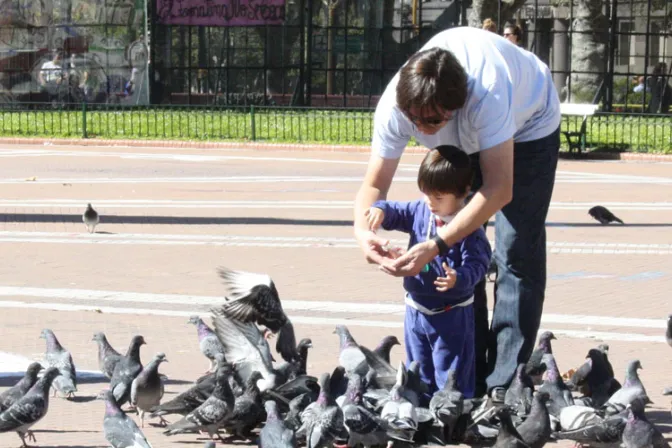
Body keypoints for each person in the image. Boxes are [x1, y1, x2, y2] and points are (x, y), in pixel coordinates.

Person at [353, 26, 561, 402]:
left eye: (430, 122)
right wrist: (363, 234)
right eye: (412, 120)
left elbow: (499, 189)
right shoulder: (400, 104)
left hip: (530, 125)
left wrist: (436, 241)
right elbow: (374, 184)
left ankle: (502, 383)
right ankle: (468, 374)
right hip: (463, 141)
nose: (418, 129)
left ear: (458, 104)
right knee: (458, 255)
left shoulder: (488, 96)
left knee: (515, 251)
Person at [365, 145, 492, 401]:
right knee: (418, 370)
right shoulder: (420, 210)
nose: (430, 202)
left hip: (452, 312)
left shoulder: (469, 226)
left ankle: (455, 417)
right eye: (426, 194)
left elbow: (479, 264)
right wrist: (380, 209)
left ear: (464, 193)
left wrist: (460, 278)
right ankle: (422, 414)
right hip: (415, 309)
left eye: (439, 197)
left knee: (452, 373)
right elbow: (397, 211)